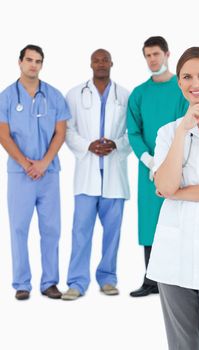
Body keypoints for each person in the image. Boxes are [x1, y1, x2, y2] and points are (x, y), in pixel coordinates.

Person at [147, 47, 199, 349]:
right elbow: (166, 185)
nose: (195, 83)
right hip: (175, 255)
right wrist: (183, 131)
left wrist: (180, 193)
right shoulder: (169, 132)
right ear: (179, 83)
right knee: (182, 344)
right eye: (186, 77)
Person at [0, 44, 71, 300]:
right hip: (20, 175)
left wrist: (43, 163)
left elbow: (60, 132)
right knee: (18, 228)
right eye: (29, 60)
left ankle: (50, 282)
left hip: (48, 173)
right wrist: (25, 163)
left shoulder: (53, 96)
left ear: (42, 65)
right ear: (19, 62)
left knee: (51, 229)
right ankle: (21, 283)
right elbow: (3, 134)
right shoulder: (7, 97)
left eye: (38, 61)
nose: (33, 64)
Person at [62, 49, 131, 300]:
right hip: (86, 175)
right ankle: (77, 283)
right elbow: (67, 130)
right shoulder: (74, 94)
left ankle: (108, 278)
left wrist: (116, 145)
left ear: (112, 63)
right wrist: (87, 146)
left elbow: (132, 132)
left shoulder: (125, 95)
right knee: (80, 232)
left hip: (114, 176)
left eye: (105, 59)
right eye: (96, 60)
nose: (101, 63)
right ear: (90, 64)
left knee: (113, 233)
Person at [127, 36, 188, 297]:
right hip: (148, 171)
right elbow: (133, 132)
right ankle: (151, 280)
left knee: (181, 219)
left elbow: (187, 124)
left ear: (167, 54)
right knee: (150, 222)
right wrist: (150, 161)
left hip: (179, 165)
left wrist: (168, 161)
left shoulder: (181, 89)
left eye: (156, 54)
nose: (152, 60)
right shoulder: (139, 93)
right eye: (148, 55)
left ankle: (181, 280)